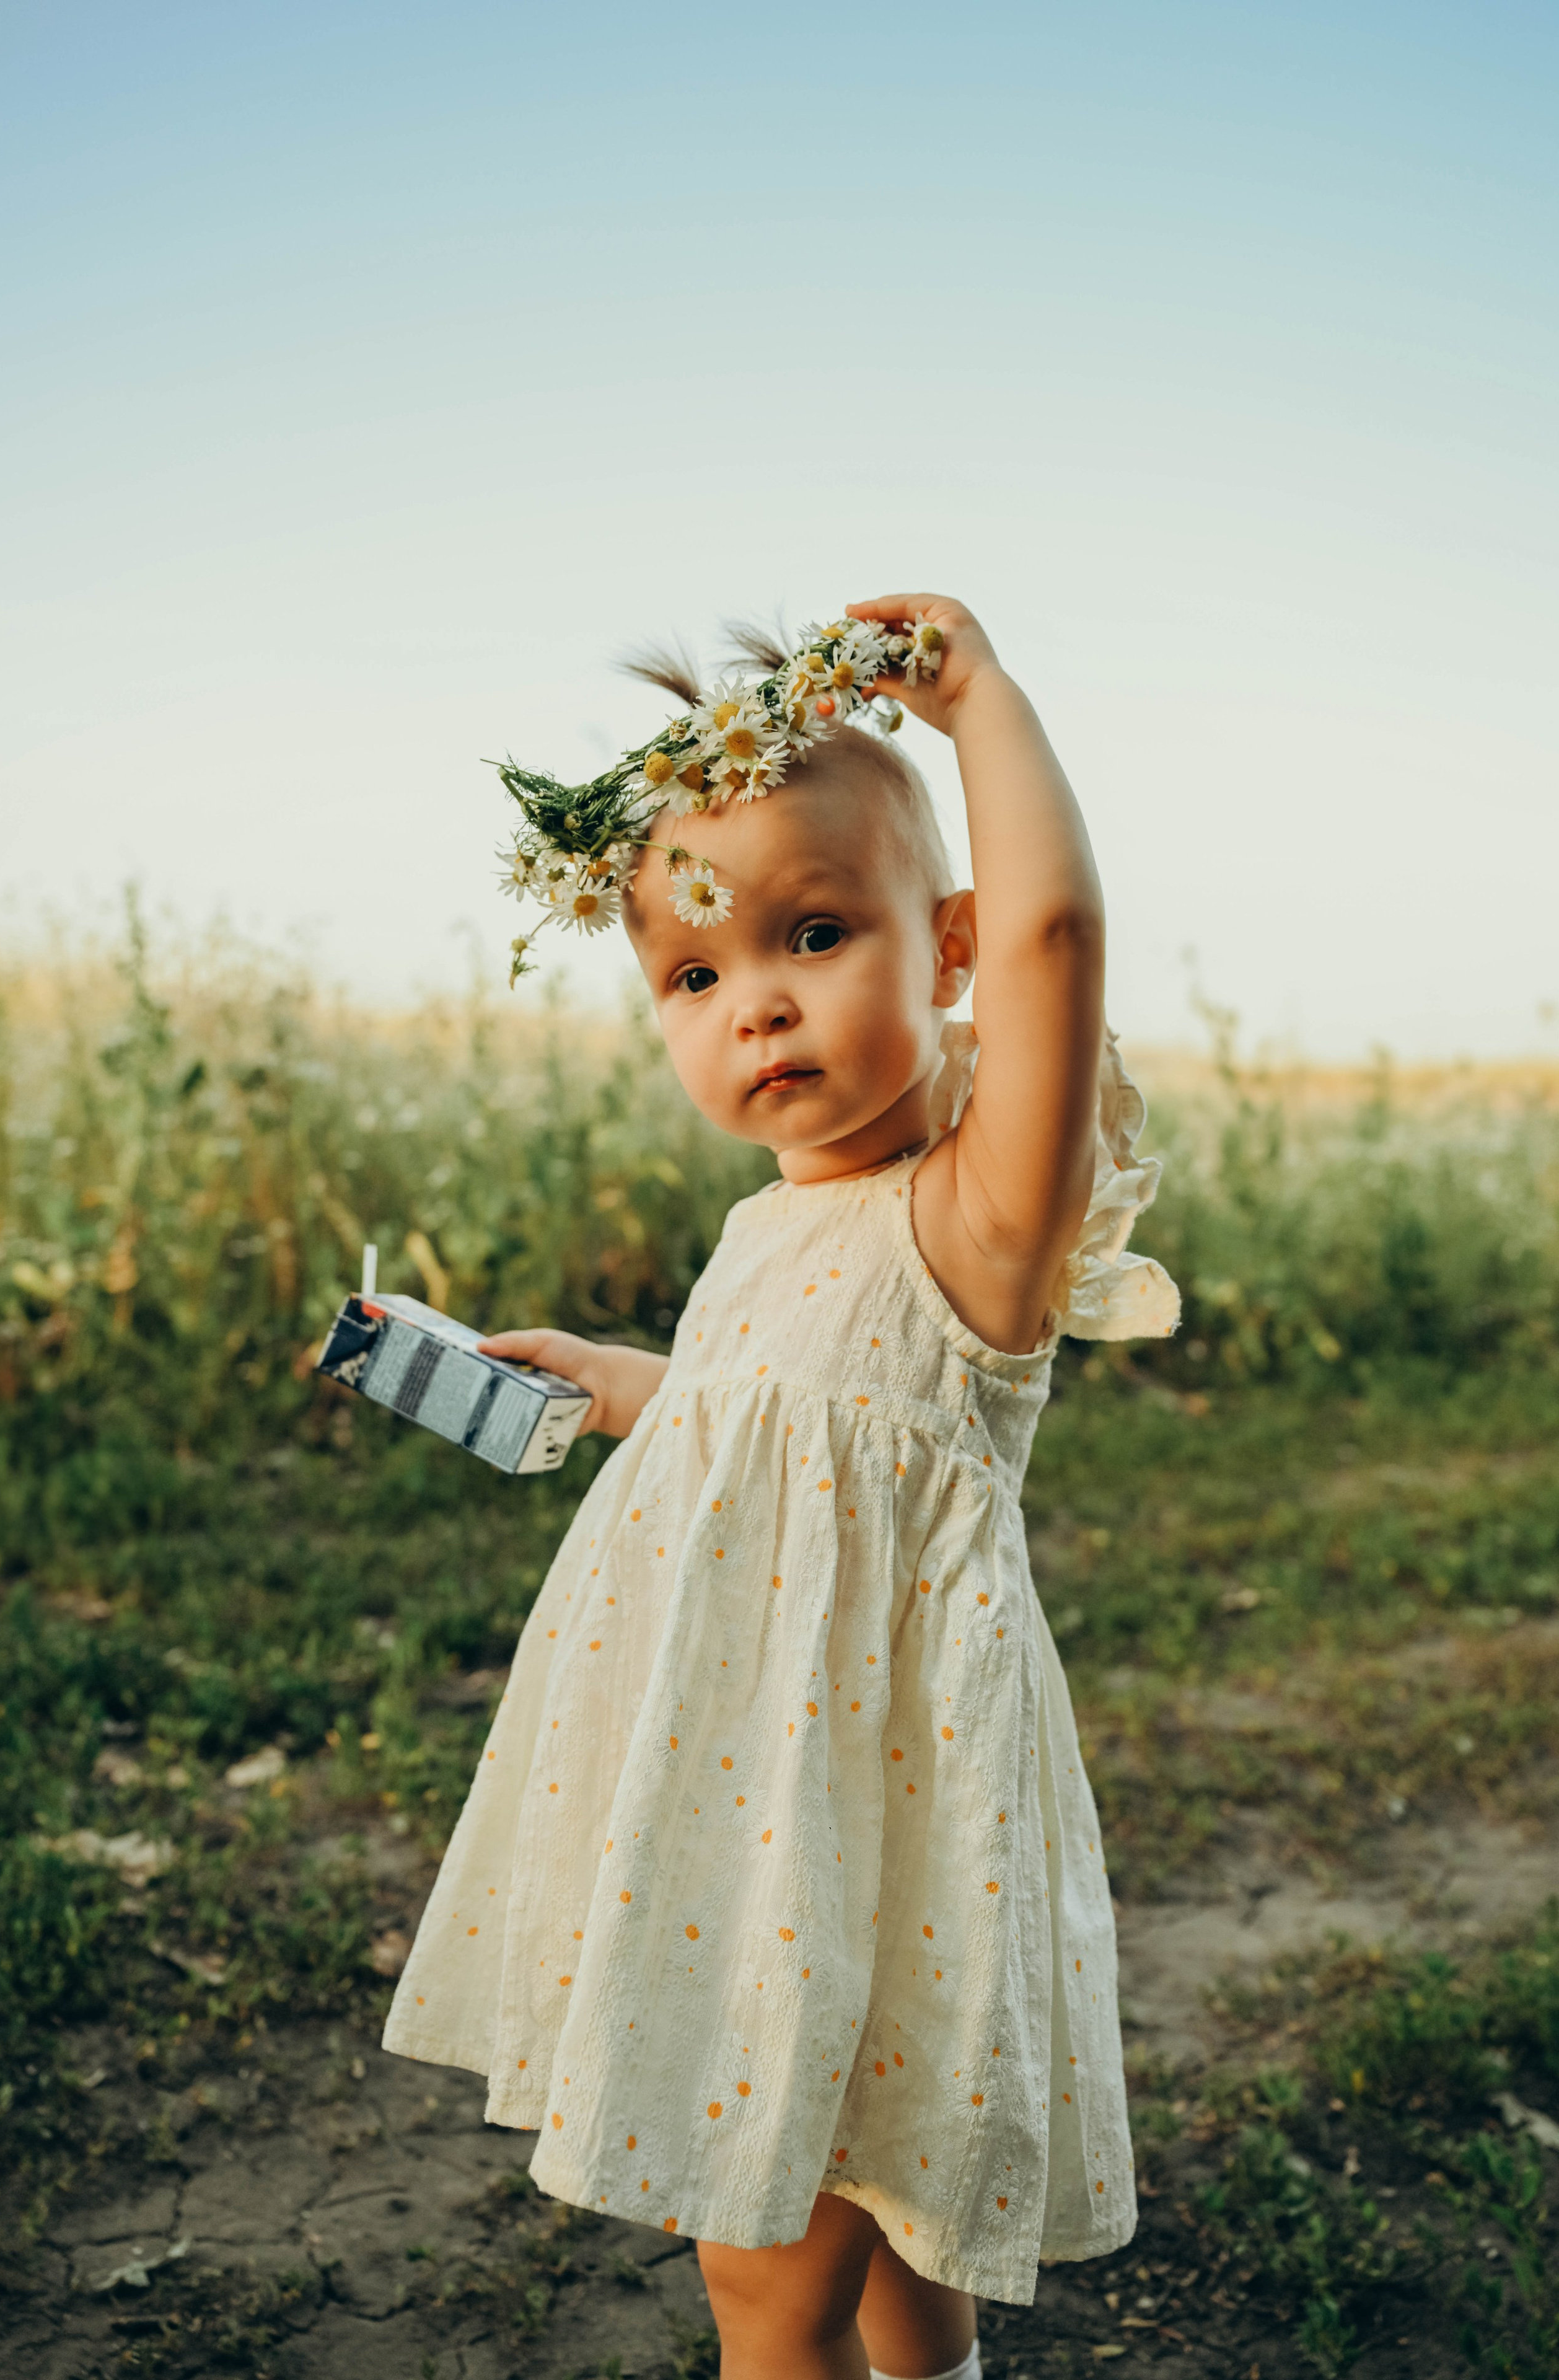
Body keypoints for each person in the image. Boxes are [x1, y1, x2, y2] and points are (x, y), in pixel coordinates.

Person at [382, 595, 1179, 2378]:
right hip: (747, 1808)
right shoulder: (766, 1222)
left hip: (859, 1815)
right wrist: (630, 1389)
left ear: (949, 943)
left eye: (815, 934)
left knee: (764, 2271)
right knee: (890, 2221)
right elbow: (790, 1422)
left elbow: (1064, 934)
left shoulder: (977, 1215)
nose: (757, 1003)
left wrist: (977, 706)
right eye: (694, 973)